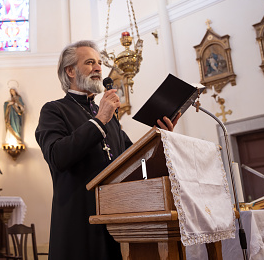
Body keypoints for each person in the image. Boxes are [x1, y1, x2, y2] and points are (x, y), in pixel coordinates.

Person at [35, 40, 179, 260]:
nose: (99, 68)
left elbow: (134, 159)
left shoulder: (108, 117)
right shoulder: (54, 110)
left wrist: (158, 135)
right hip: (78, 222)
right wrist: (100, 119)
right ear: (70, 71)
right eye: (90, 62)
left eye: (100, 63)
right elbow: (57, 157)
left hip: (117, 222)